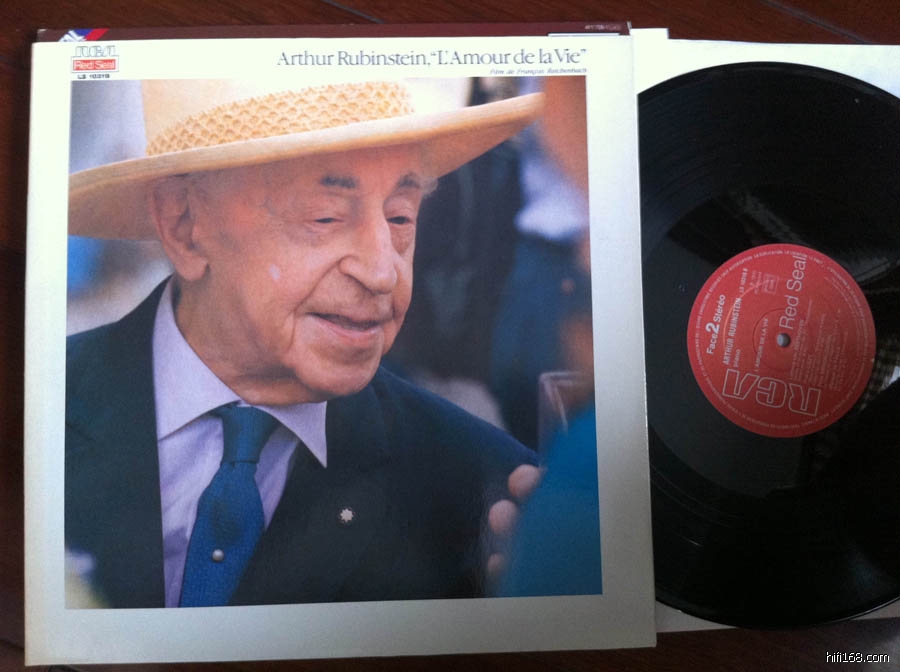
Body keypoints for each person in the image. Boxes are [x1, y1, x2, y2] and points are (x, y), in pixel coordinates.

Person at [64, 79, 542, 608]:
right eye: (325, 217)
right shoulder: (32, 417)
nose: (383, 272)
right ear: (184, 224)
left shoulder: (488, 498)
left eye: (400, 217)